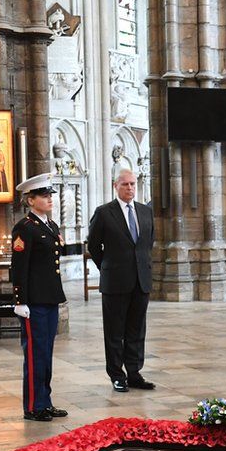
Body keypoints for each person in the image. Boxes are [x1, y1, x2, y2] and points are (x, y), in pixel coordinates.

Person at [87, 168, 156, 393]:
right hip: (115, 281)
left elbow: (147, 244)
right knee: (115, 331)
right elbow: (94, 246)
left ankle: (134, 372)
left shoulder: (146, 212)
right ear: (115, 186)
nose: (130, 188)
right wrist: (107, 267)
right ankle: (117, 375)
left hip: (141, 280)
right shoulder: (104, 213)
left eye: (133, 184)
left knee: (137, 330)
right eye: (125, 184)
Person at [11, 174, 69, 421]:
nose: (49, 199)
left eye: (50, 195)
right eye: (44, 196)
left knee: (46, 352)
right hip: (33, 301)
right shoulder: (24, 227)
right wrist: (20, 301)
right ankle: (34, 406)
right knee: (35, 354)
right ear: (30, 200)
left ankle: (45, 401)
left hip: (49, 298)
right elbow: (19, 266)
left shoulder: (50, 226)